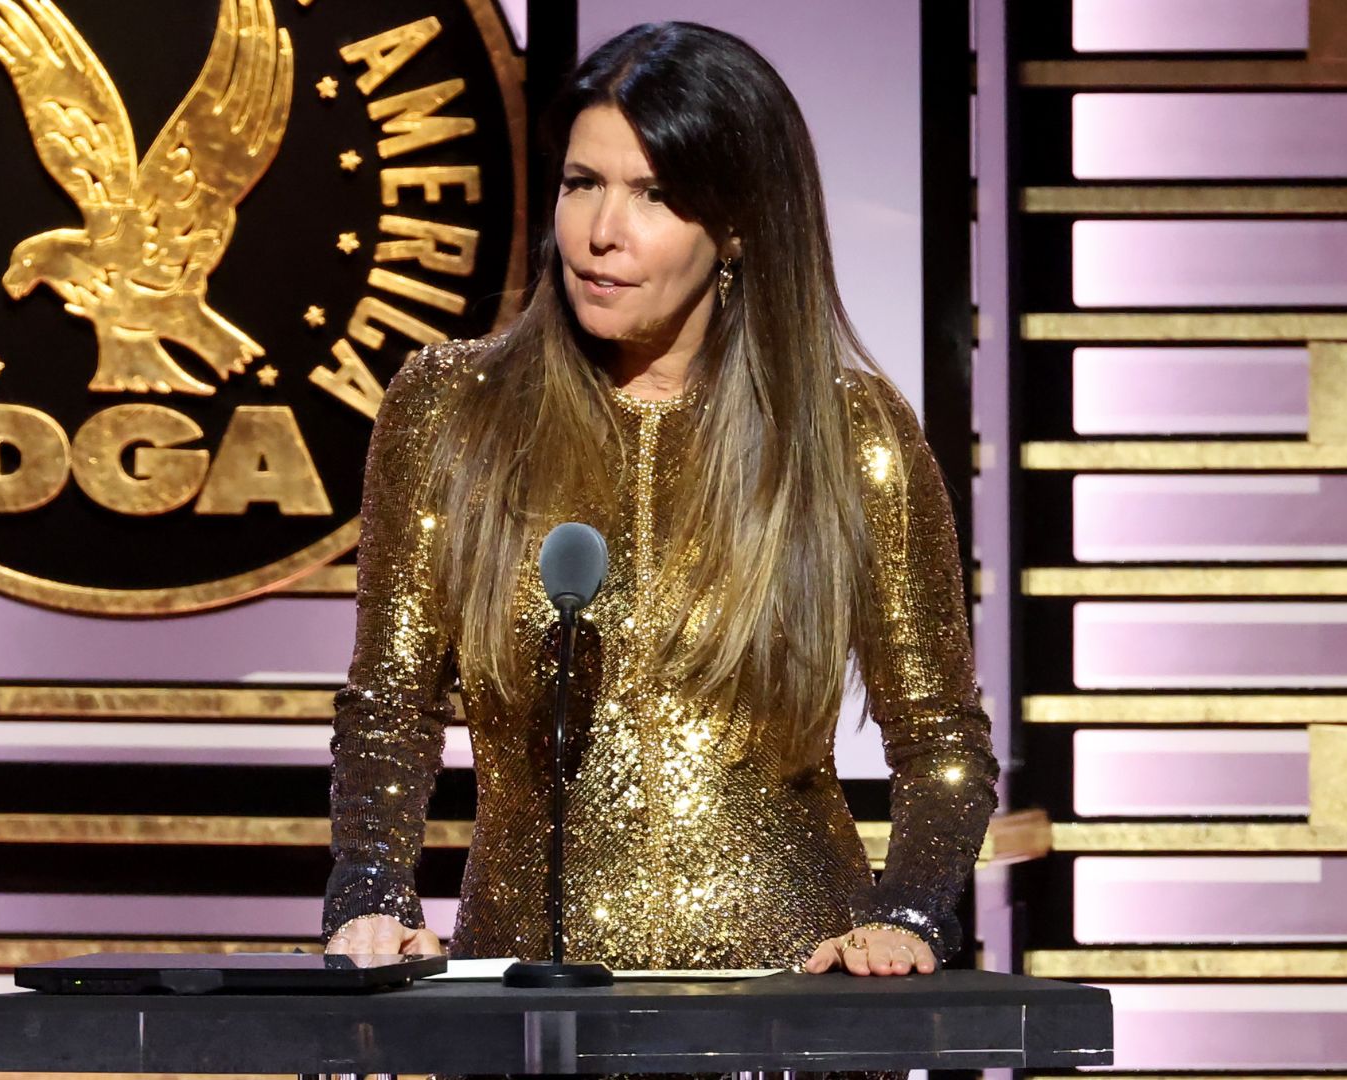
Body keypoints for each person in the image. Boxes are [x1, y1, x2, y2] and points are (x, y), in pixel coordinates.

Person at [320, 20, 999, 986]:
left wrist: (906, 914)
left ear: (737, 224)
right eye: (582, 183)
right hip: (526, 1006)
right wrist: (372, 891)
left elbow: (940, 740)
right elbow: (389, 705)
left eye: (654, 195)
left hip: (789, 1006)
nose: (602, 231)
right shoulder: (450, 410)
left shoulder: (848, 434)